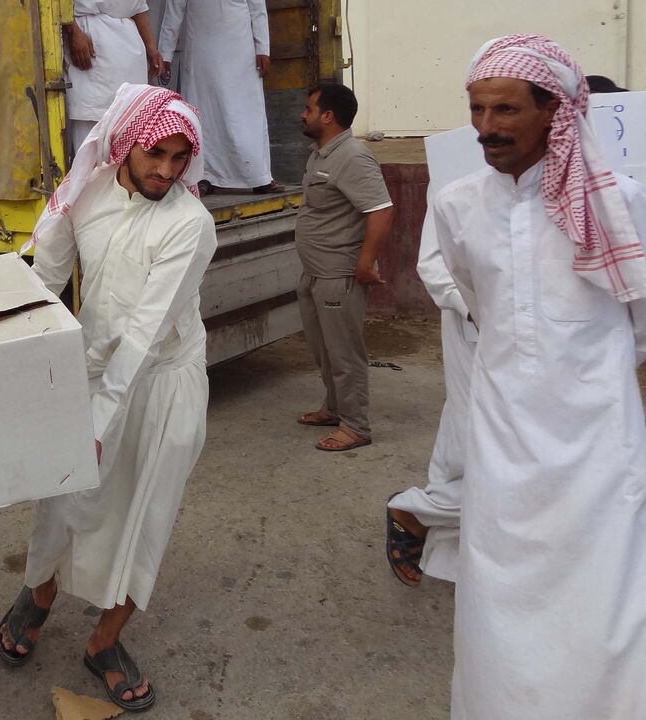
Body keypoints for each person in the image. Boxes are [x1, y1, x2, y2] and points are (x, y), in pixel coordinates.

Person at [434, 35, 646, 718]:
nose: (486, 129)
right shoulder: (459, 204)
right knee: (500, 591)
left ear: (556, 110)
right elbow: (474, 297)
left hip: (597, 437)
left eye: (505, 110)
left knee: (608, 593)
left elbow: (639, 317)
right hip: (503, 431)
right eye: (476, 110)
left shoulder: (622, 203)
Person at [0, 84, 216, 712]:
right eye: (156, 155)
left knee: (145, 512)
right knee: (64, 501)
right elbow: (44, 281)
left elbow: (146, 334)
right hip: (91, 373)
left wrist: (102, 416)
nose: (166, 172)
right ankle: (37, 595)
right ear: (126, 144)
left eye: (180, 159)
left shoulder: (188, 225)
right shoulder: (82, 196)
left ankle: (104, 641)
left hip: (165, 381)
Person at [294, 82, 393, 451]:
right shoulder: (320, 154)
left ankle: (356, 426)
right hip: (315, 272)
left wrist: (365, 263)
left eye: (309, 109)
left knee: (344, 353)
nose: (303, 114)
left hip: (340, 274)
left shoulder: (352, 156)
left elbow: (381, 210)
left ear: (328, 116)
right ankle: (334, 408)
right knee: (324, 349)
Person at [383, 207, 474, 586]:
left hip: (563, 342)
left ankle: (427, 514)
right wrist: (475, 309)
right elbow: (434, 261)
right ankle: (420, 512)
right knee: (475, 436)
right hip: (475, 325)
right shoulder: (461, 182)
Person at [157, 0, 281, 194]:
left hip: (242, 53)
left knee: (246, 113)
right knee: (205, 112)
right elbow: (174, 12)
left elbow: (258, 10)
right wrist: (165, 55)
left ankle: (259, 175)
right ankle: (204, 176)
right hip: (202, 54)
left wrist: (263, 49)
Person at [64, 2, 164, 151]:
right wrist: (73, 31)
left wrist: (150, 46)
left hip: (130, 44)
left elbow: (138, 6)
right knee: (91, 140)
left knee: (131, 125)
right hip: (89, 36)